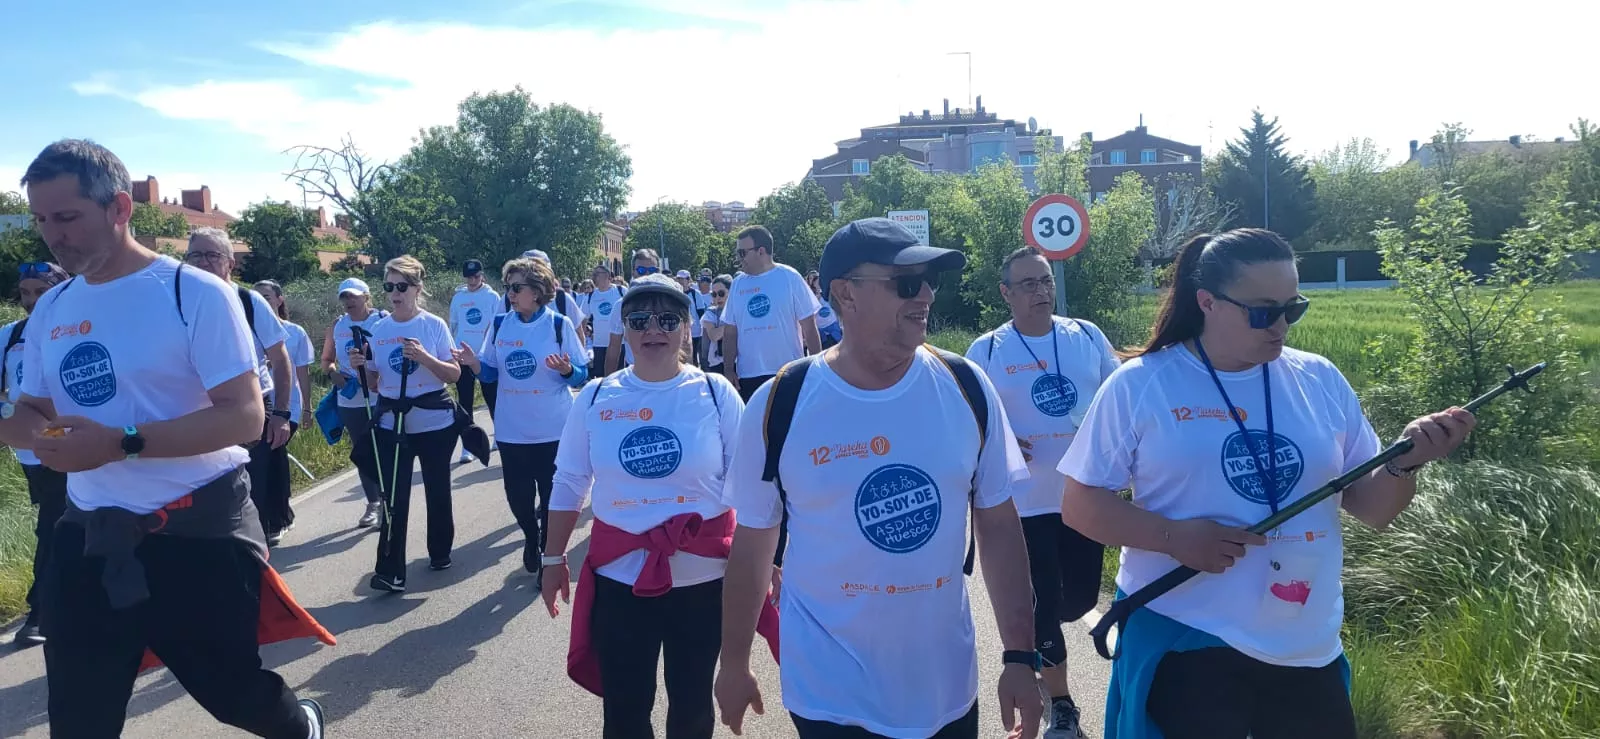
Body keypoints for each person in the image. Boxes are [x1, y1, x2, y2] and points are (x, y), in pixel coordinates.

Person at [1058, 229, 1477, 739]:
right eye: (1262, 311)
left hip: (1306, 642)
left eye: (1291, 309)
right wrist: (1176, 538)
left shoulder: (1319, 379)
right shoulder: (1142, 384)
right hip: (1189, 636)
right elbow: (1080, 505)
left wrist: (1406, 463)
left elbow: (1373, 508)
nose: (1280, 326)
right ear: (1207, 302)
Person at [5, 138, 327, 737]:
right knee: (78, 717)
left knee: (235, 694)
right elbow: (31, 408)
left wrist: (118, 442)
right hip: (91, 534)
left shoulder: (195, 293)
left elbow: (242, 419)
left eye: (68, 217)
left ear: (120, 208)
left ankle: (299, 724)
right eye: (43, 219)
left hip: (196, 532)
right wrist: (32, 433)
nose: (53, 235)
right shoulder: (52, 309)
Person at [716, 217, 1043, 739]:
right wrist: (733, 663)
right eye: (907, 283)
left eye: (931, 281)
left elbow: (1000, 529)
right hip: (829, 695)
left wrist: (1020, 657)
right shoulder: (781, 402)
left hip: (945, 691)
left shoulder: (966, 387)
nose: (927, 297)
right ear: (845, 294)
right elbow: (753, 546)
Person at [542, 273, 769, 739]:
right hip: (620, 584)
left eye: (668, 318)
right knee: (624, 713)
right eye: (639, 319)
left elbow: (750, 487)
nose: (653, 329)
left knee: (690, 710)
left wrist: (767, 562)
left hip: (704, 586)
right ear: (623, 327)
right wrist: (551, 556)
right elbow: (569, 481)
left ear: (686, 328)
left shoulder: (715, 392)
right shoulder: (597, 396)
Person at [965, 247, 1120, 739]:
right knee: (1044, 608)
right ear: (1005, 294)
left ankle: (1039, 657)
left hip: (1082, 498)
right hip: (1023, 505)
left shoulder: (1087, 337)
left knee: (1074, 601)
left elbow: (1120, 400)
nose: (1040, 292)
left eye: (1046, 281)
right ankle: (1062, 704)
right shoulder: (986, 351)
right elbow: (969, 422)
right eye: (1028, 284)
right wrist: (1000, 438)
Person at [453, 256, 586, 580]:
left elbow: (581, 374)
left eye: (516, 288)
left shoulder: (558, 325)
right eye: (507, 287)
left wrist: (567, 370)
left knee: (551, 497)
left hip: (553, 429)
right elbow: (490, 370)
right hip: (512, 430)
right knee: (518, 498)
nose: (509, 294)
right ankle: (530, 535)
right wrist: (473, 363)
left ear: (538, 291)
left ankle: (545, 549)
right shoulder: (500, 324)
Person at [352, 255, 463, 592]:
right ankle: (390, 570)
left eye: (402, 286)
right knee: (393, 498)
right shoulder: (380, 330)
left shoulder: (433, 325)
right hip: (393, 426)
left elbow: (454, 373)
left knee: (437, 489)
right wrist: (363, 367)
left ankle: (440, 551)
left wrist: (424, 358)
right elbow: (374, 384)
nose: (395, 293)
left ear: (417, 288)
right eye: (389, 286)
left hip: (434, 423)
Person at [185, 227, 297, 546]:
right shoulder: (176, 302)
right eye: (195, 255)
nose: (203, 262)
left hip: (250, 406)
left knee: (252, 489)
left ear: (230, 264)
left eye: (212, 255)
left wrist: (282, 414)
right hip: (199, 412)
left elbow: (280, 358)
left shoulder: (249, 301)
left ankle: (255, 564)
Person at [4, 260, 70, 648]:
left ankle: (43, 610)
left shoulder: (77, 329)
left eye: (39, 293)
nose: (30, 302)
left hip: (84, 444)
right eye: (26, 293)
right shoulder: (9, 337)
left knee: (57, 525)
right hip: (33, 452)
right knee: (55, 525)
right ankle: (47, 609)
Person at [720, 225, 822, 402]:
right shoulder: (738, 284)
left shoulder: (789, 277)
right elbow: (730, 332)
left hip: (788, 372)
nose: (738, 259)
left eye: (742, 253)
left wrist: (817, 369)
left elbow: (809, 327)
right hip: (748, 374)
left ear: (761, 251)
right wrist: (729, 369)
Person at [321, 277, 388, 528]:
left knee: (383, 451)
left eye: (353, 296)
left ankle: (387, 499)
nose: (348, 301)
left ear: (366, 296)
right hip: (350, 400)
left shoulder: (381, 320)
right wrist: (333, 373)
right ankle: (373, 503)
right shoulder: (338, 325)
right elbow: (326, 360)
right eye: (344, 297)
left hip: (380, 396)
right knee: (362, 452)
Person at [254, 279, 316, 516]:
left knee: (268, 455)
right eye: (256, 297)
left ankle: (275, 515)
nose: (260, 302)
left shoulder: (294, 332)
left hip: (287, 407)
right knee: (269, 459)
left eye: (266, 297)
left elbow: (302, 373)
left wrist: (307, 409)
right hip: (257, 406)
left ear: (279, 301)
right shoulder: (245, 330)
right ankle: (279, 513)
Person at [449, 258, 501, 463]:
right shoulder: (458, 298)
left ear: (482, 276)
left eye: (476, 276)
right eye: (469, 277)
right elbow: (453, 326)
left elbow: (497, 326)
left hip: (485, 356)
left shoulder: (492, 297)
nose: (472, 280)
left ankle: (500, 434)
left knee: (492, 398)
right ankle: (468, 447)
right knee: (465, 401)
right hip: (463, 355)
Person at [604, 249, 666, 376]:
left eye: (652, 270)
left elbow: (685, 344)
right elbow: (614, 347)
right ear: (633, 272)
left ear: (659, 272)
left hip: (667, 372)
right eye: (641, 270)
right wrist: (607, 383)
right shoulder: (621, 305)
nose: (647, 274)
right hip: (635, 373)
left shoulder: (671, 303)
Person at [583, 264, 626, 375]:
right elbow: (583, 319)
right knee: (602, 378)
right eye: (593, 274)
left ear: (607, 276)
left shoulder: (621, 291)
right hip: (599, 344)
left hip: (619, 344)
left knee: (619, 377)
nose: (594, 277)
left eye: (597, 274)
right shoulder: (590, 296)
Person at [699, 274, 732, 375]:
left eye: (721, 293)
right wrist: (735, 322)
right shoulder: (710, 313)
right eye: (714, 294)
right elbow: (714, 336)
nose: (717, 297)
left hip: (740, 362)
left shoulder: (740, 312)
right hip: (717, 364)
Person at [806, 270, 842, 349]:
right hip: (822, 333)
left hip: (834, 329)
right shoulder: (808, 297)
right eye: (811, 278)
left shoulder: (827, 293)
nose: (814, 280)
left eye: (816, 278)